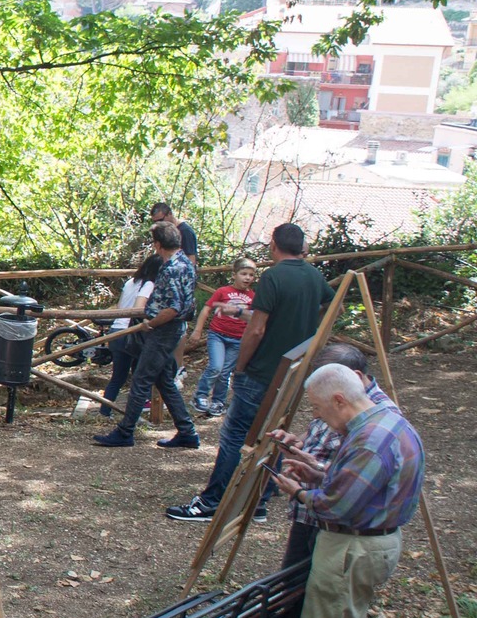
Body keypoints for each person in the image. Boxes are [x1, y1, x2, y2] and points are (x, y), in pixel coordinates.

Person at [266, 364, 423, 618]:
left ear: (339, 399)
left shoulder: (369, 440)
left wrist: (301, 492)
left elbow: (339, 507)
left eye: (318, 408)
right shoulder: (389, 423)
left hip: (351, 550)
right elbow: (361, 486)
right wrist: (319, 470)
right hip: (374, 544)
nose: (316, 416)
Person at [167, 224, 335, 522]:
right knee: (273, 434)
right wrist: (307, 331)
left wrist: (241, 366)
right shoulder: (313, 275)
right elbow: (331, 306)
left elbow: (256, 331)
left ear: (274, 245)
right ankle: (258, 500)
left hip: (261, 372)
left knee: (234, 436)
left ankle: (212, 502)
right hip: (292, 374)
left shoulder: (273, 276)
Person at [259, 342, 392, 618]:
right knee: (295, 581)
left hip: (335, 521)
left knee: (319, 599)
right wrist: (297, 445)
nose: (315, 413)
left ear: (355, 379)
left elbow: (351, 482)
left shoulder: (373, 420)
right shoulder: (340, 401)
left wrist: (308, 480)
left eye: (319, 404)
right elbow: (321, 441)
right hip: (313, 513)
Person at [93, 222, 200, 449]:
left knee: (141, 379)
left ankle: (125, 431)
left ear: (158, 244)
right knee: (163, 381)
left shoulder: (171, 268)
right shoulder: (185, 264)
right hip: (169, 329)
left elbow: (172, 308)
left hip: (163, 330)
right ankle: (187, 431)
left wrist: (150, 323)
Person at [185, 260, 258, 417]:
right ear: (234, 275)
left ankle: (218, 401)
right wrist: (197, 330)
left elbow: (255, 318)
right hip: (218, 335)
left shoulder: (253, 297)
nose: (247, 278)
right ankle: (201, 395)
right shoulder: (223, 291)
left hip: (238, 339)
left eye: (251, 275)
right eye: (243, 274)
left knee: (225, 372)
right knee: (216, 367)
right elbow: (206, 310)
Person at [97, 254, 161, 417]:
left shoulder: (130, 282)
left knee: (118, 377)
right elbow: (139, 308)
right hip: (131, 333)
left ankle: (105, 411)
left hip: (117, 331)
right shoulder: (149, 285)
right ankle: (140, 408)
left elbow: (120, 307)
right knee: (142, 375)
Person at [152, 201, 198, 266]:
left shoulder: (185, 231)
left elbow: (191, 260)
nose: (158, 224)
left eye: (160, 220)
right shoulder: (163, 232)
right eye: (155, 222)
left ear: (170, 214)